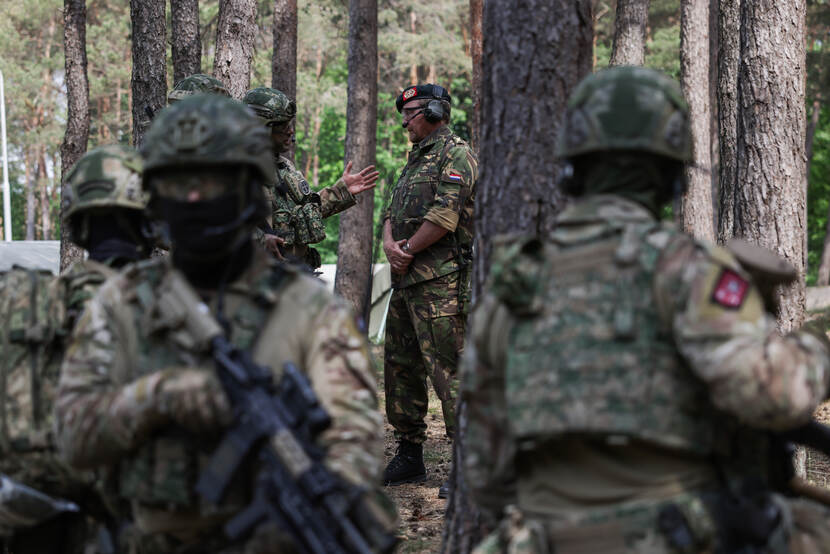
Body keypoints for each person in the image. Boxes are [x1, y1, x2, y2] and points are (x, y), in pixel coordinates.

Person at [463, 65, 830, 553]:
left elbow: (484, 476)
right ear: (670, 175)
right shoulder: (684, 269)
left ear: (573, 167)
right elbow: (777, 395)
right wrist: (817, 342)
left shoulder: (513, 287)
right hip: (673, 536)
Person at [54, 94, 394, 553]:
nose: (196, 197)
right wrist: (160, 397)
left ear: (250, 191)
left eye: (217, 182)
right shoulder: (122, 301)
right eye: (180, 182)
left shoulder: (312, 313)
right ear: (156, 196)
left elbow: (356, 445)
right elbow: (74, 436)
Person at [0, 145, 151, 553]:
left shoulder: (16, 295)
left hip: (17, 509)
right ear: (145, 220)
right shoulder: (152, 306)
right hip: (107, 515)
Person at [381, 83, 478, 499]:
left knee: (450, 374)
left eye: (412, 112)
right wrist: (390, 244)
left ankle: (469, 465)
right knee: (401, 368)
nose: (405, 120)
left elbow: (446, 214)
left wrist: (406, 250)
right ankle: (409, 454)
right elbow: (390, 210)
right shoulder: (414, 159)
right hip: (405, 282)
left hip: (441, 285)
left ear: (437, 110)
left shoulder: (457, 154)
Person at [242, 87, 379, 269]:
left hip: (292, 277)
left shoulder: (284, 166)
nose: (290, 132)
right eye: (283, 126)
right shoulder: (238, 170)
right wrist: (260, 239)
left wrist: (341, 191)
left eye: (290, 124)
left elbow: (303, 213)